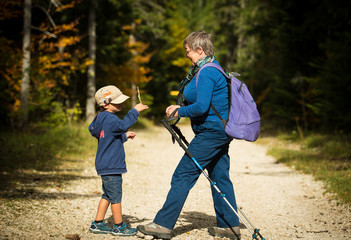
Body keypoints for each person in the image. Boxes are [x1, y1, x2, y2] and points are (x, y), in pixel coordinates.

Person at [137, 31, 241, 239]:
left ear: (200, 50)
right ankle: (229, 227)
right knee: (220, 176)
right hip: (218, 131)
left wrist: (179, 111)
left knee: (183, 174)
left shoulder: (207, 72)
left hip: (212, 133)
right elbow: (200, 101)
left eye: (188, 51)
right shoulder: (210, 68)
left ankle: (163, 225)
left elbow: (202, 107)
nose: (187, 55)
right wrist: (181, 106)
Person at [88, 85, 148, 236]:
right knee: (115, 197)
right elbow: (123, 125)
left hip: (104, 164)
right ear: (105, 104)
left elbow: (107, 135)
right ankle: (119, 226)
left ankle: (98, 223)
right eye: (117, 101)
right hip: (112, 165)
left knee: (107, 195)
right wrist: (134, 111)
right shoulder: (111, 118)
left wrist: (124, 136)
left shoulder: (100, 117)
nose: (121, 104)